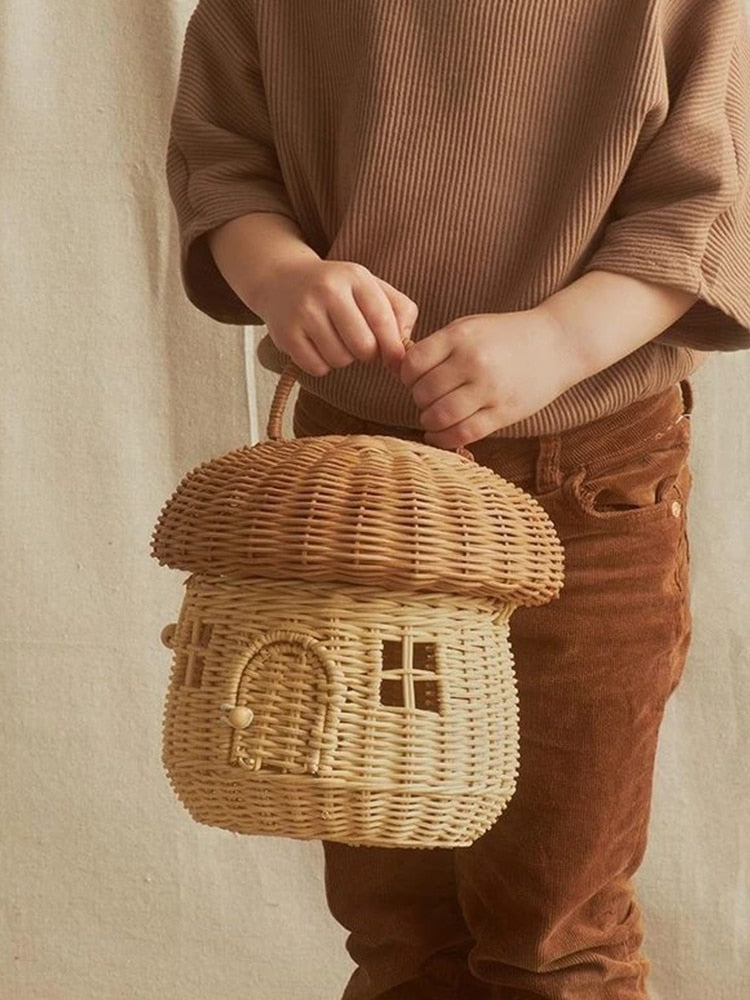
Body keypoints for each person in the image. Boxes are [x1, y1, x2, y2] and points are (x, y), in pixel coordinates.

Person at [164, 2, 750, 997]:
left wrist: (560, 339)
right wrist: (285, 274)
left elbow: (710, 202)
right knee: (399, 924)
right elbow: (223, 154)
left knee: (556, 927)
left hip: (590, 473)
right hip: (354, 485)